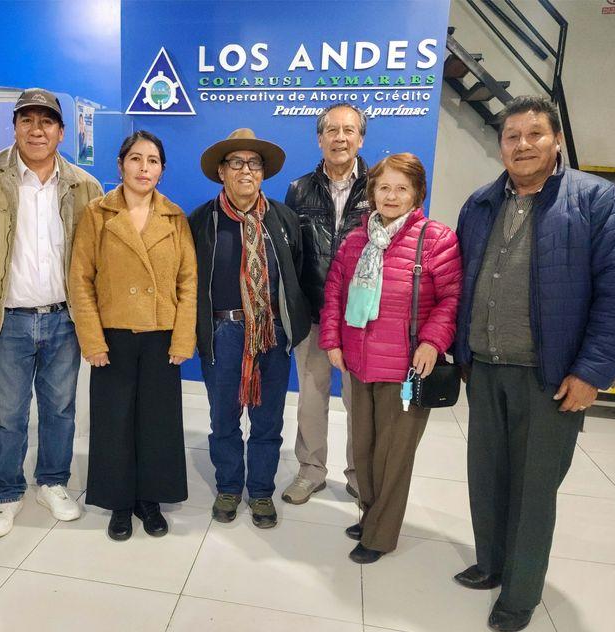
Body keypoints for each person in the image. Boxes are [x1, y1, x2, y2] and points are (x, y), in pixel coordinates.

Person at [452, 95, 615, 632]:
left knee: (533, 491)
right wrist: (462, 351)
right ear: (501, 146)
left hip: (550, 377)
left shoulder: (595, 201)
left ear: (556, 140)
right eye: (512, 136)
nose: (523, 145)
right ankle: (491, 564)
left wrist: (592, 372)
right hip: (485, 368)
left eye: (534, 134)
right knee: (487, 478)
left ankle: (520, 593)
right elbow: (462, 280)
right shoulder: (480, 204)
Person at [0, 88, 103, 538]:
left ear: (61, 132)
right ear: (15, 126)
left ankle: (52, 483)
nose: (37, 130)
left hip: (64, 319)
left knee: (60, 409)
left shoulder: (85, 186)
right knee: (8, 414)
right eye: (27, 121)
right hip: (8, 320)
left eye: (46, 122)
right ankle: (6, 492)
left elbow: (96, 261)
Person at [319, 152, 461, 564]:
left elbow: (452, 298)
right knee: (363, 448)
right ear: (372, 192)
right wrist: (332, 341)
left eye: (402, 188)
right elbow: (334, 294)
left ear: (417, 194)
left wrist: (432, 342)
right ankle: (370, 515)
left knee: (393, 455)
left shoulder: (436, 239)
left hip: (406, 367)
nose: (392, 196)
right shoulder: (356, 241)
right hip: (359, 362)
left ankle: (380, 535)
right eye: (384, 187)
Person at [70, 131, 197, 541]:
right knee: (114, 420)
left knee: (158, 422)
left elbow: (188, 282)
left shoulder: (175, 217)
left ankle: (150, 499)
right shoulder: (97, 214)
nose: (144, 168)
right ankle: (119, 502)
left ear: (162, 169)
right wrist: (92, 339)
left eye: (153, 161)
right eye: (136, 159)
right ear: (121, 164)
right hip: (114, 336)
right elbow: (80, 279)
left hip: (161, 335)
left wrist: (183, 338)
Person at [189, 128, 311, 529]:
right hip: (223, 334)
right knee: (223, 418)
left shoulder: (283, 219)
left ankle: (260, 491)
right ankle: (228, 487)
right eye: (237, 163)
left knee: (267, 420)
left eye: (254, 163)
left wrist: (290, 325)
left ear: (263, 172)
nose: (246, 170)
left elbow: (298, 273)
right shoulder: (201, 221)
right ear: (221, 171)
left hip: (271, 334)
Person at [282, 102, 371, 505]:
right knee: (312, 397)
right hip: (314, 313)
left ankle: (360, 474)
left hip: (362, 317)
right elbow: (291, 253)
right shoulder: (298, 190)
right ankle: (311, 470)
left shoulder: (379, 186)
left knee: (360, 402)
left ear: (360, 139)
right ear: (319, 139)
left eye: (349, 130)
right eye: (331, 130)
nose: (340, 138)